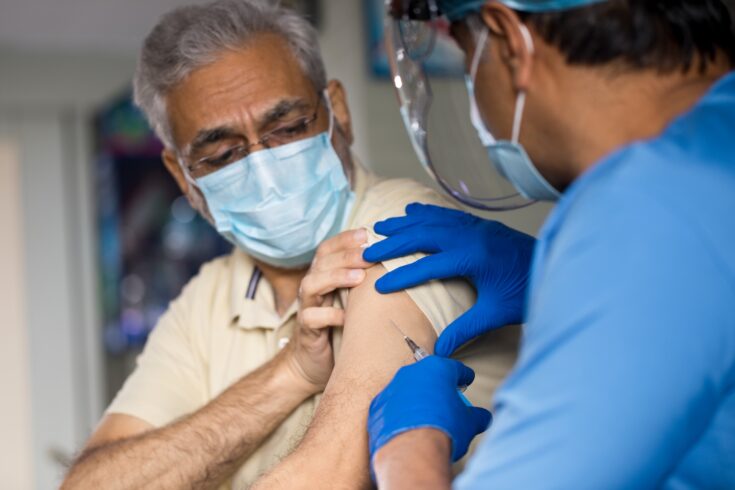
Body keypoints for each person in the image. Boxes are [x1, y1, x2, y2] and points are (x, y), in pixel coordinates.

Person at [60, 1, 520, 488]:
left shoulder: (406, 226)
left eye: (289, 127)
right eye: (223, 153)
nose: (264, 165)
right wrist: (290, 374)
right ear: (183, 176)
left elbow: (328, 473)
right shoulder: (208, 301)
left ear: (336, 111)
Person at [364, 0, 735, 488]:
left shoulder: (648, 204)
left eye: (467, 52)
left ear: (509, 39)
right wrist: (551, 270)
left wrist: (408, 447)